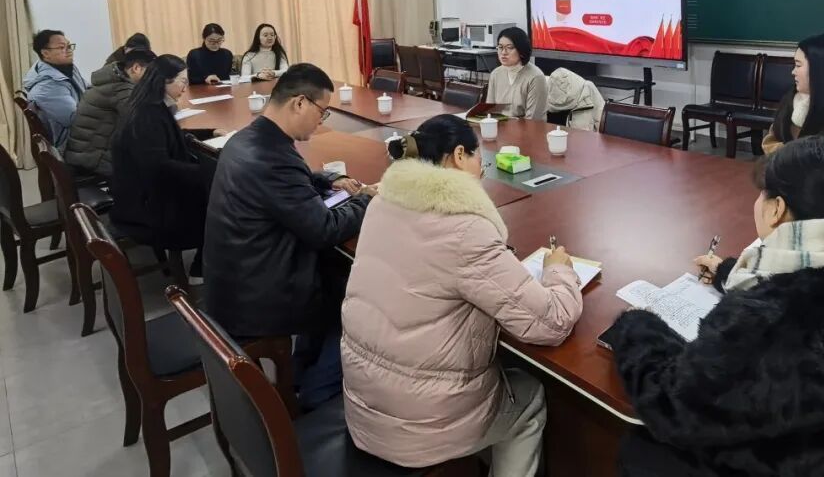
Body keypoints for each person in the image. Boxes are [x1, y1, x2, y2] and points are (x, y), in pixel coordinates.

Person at [608, 136, 824, 477]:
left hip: (803, 463)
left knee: (640, 447)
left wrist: (637, 327)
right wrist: (728, 272)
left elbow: (673, 407)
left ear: (777, 209)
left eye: (762, 195)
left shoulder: (767, 320)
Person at [341, 114, 583, 474]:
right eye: (478, 159)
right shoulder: (464, 229)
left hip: (364, 406)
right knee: (529, 397)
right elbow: (552, 323)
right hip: (420, 428)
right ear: (458, 155)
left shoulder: (381, 202)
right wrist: (558, 269)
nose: (481, 170)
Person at [204, 63, 369, 408]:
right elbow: (325, 229)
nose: (321, 121)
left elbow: (289, 183)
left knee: (335, 277)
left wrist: (327, 180)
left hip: (236, 279)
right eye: (322, 112)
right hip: (258, 297)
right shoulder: (273, 157)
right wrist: (368, 199)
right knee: (360, 299)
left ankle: (300, 371)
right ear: (299, 103)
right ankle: (316, 395)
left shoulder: (250, 138)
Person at [110, 55, 217, 278]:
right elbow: (159, 167)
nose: (185, 88)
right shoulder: (147, 116)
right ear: (163, 82)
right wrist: (207, 174)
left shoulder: (149, 106)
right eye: (182, 82)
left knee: (210, 182)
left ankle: (205, 260)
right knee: (219, 198)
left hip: (143, 193)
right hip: (146, 208)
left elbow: (171, 137)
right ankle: (201, 267)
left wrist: (210, 132)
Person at [65, 48, 156, 180]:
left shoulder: (111, 79)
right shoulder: (121, 88)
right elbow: (142, 121)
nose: (153, 78)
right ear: (136, 68)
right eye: (151, 73)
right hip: (94, 159)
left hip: (83, 153)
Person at [22, 29, 88, 150]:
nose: (69, 51)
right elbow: (75, 120)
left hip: (83, 133)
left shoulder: (66, 68)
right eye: (62, 47)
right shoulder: (47, 87)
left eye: (69, 46)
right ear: (45, 53)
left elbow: (89, 90)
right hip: (72, 145)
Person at [485, 27, 547, 120]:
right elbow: (490, 111)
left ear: (521, 50)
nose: (503, 52)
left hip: (528, 128)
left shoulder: (536, 77)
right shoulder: (496, 74)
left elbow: (533, 119)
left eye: (509, 48)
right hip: (499, 126)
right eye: (500, 47)